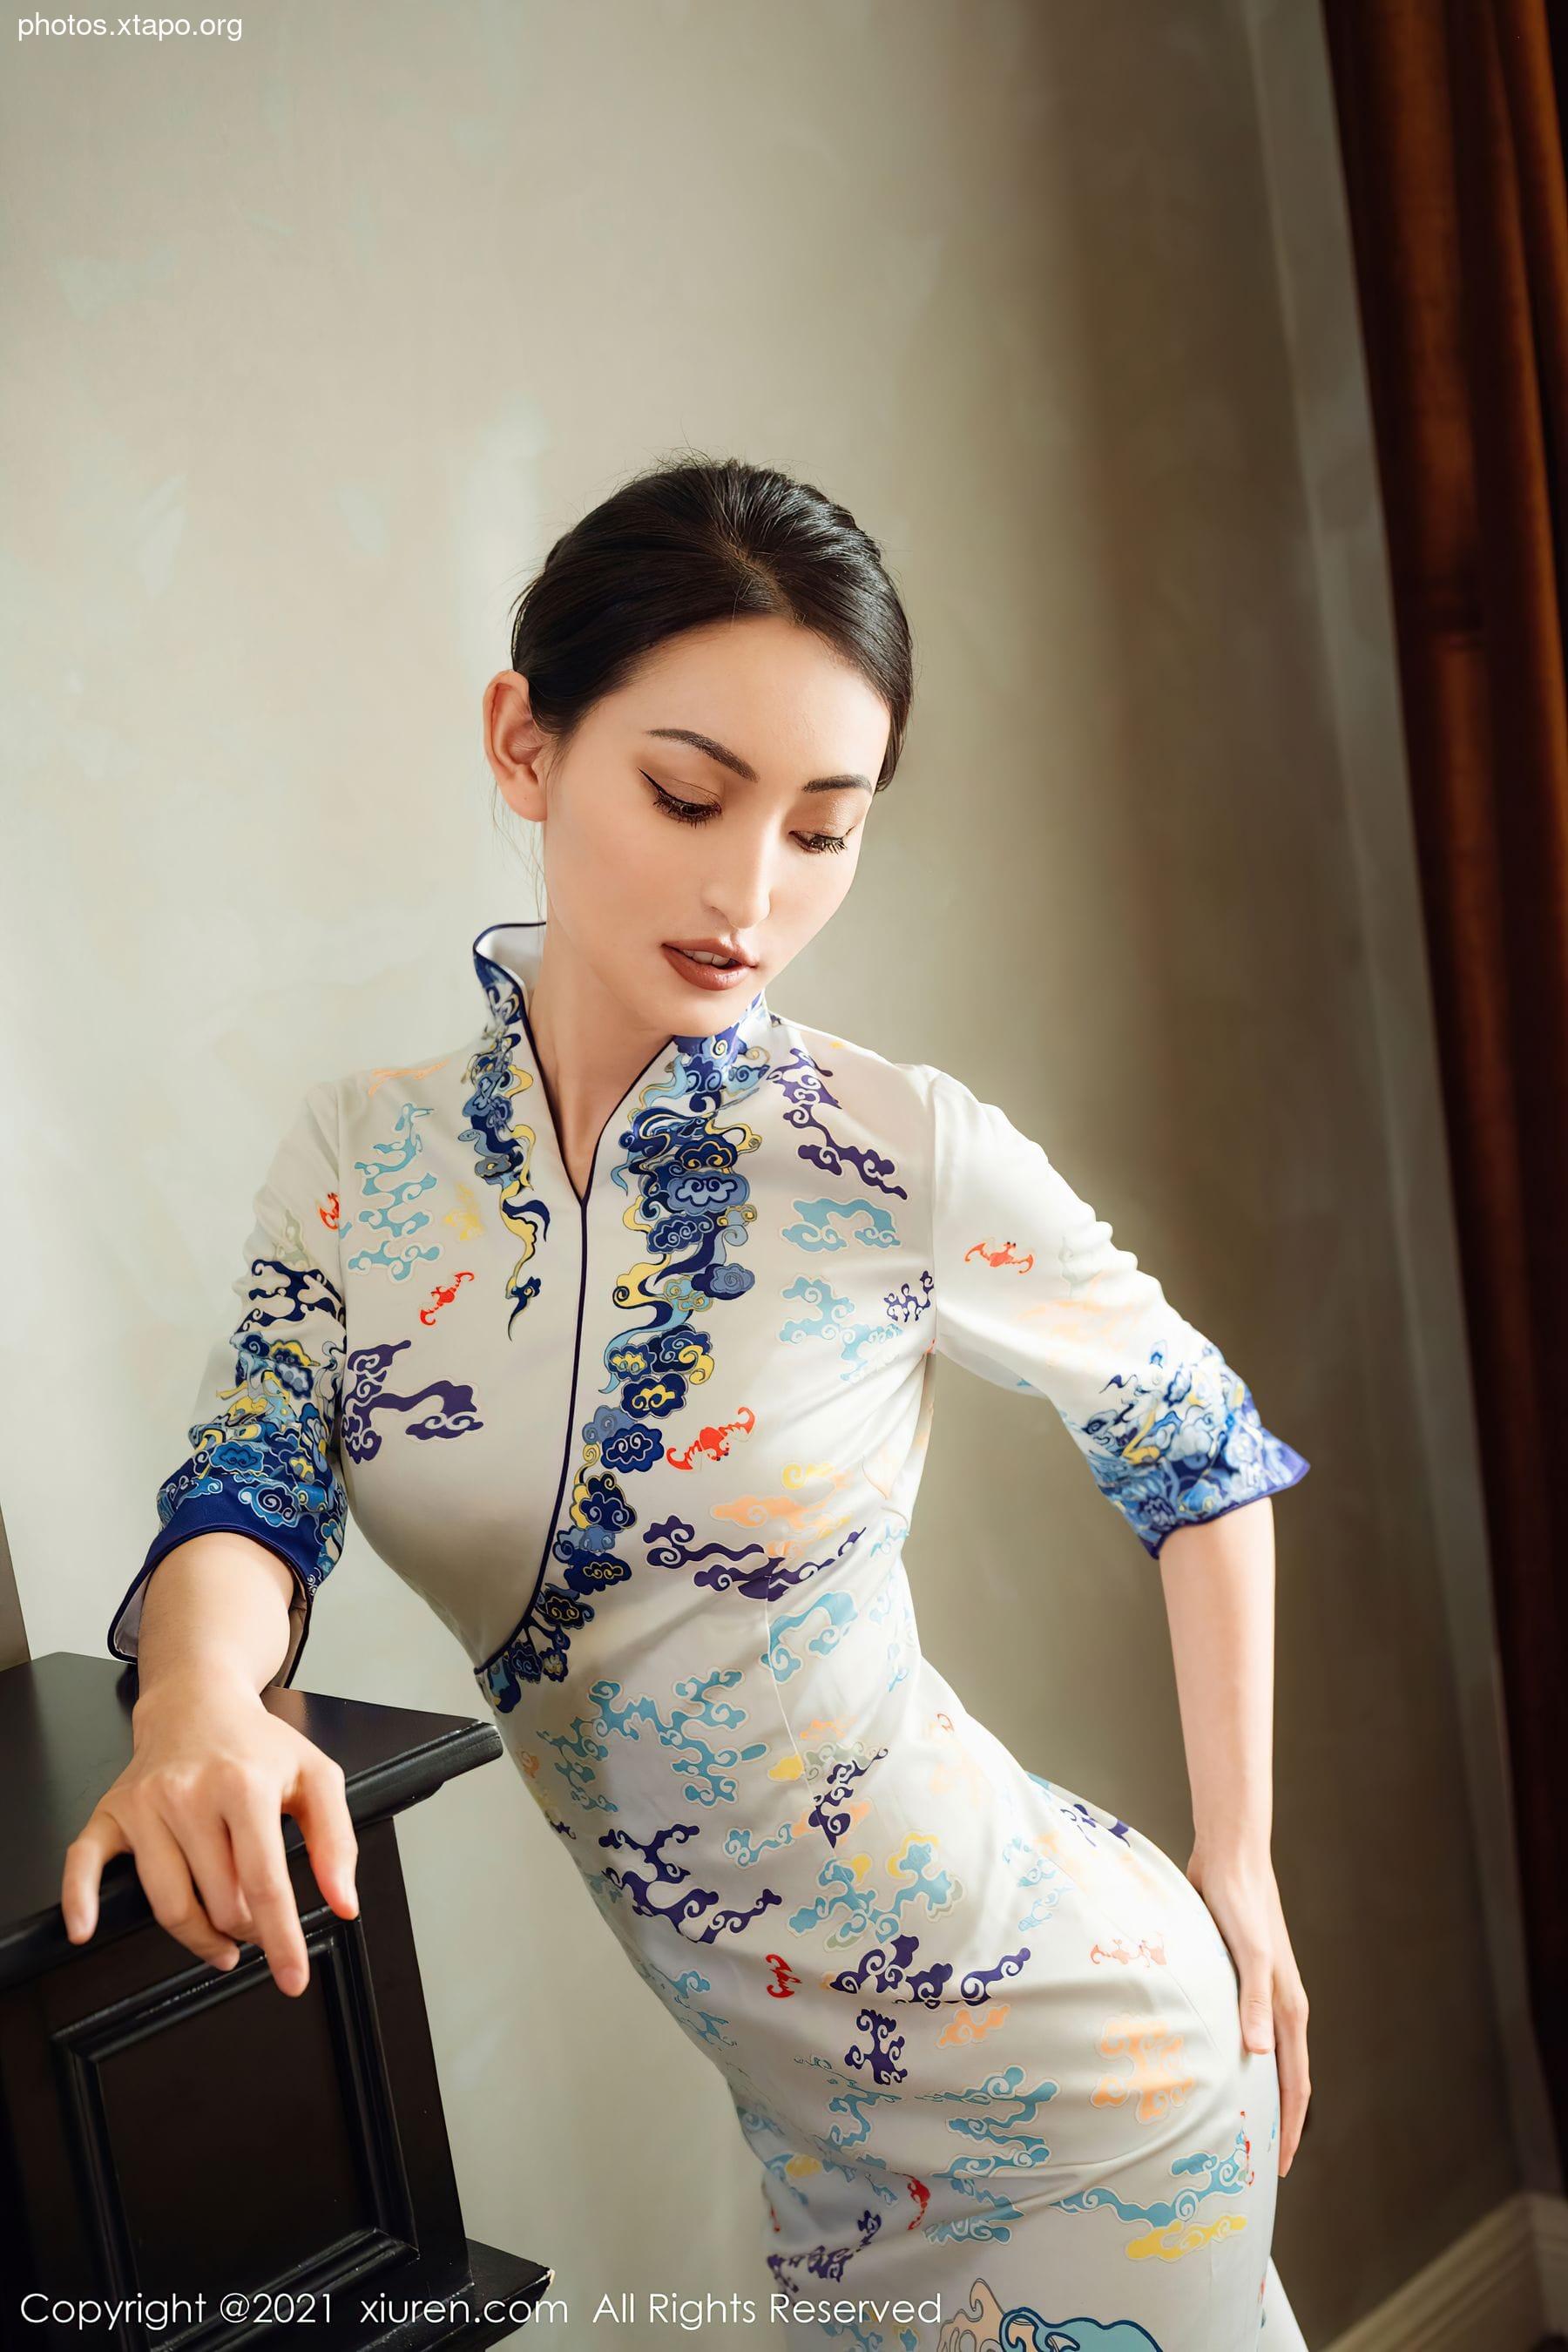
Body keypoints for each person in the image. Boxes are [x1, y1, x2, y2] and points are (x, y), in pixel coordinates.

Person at [63, 456, 1313, 2351]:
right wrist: (196, 1699)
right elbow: (249, 1488)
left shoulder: (895, 1153)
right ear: (523, 741)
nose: (751, 893)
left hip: (1085, 2085)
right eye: (688, 794)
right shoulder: (358, 1162)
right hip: (822, 2156)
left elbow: (1199, 1449)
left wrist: (1239, 1864)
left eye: (827, 829)